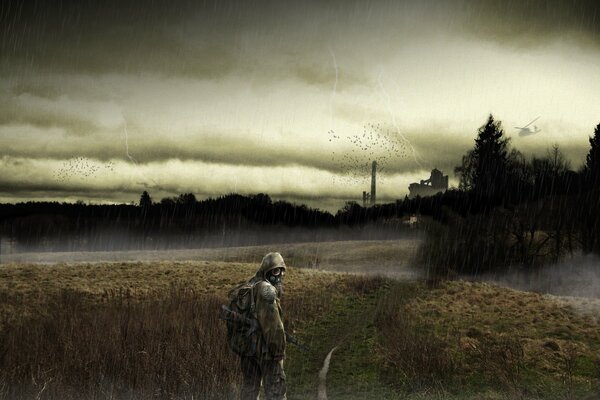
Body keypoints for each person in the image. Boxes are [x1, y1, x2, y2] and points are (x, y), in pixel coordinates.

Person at [238, 252, 287, 400]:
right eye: (275, 271)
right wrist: (278, 351)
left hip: (247, 351)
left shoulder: (250, 285)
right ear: (267, 271)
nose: (278, 276)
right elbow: (273, 327)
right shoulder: (266, 290)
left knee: (249, 390)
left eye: (280, 271)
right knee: (276, 391)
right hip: (266, 351)